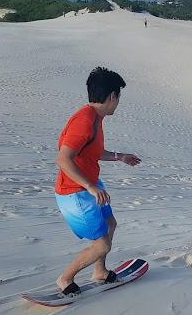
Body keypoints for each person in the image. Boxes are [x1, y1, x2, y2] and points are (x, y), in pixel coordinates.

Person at [54, 67, 142, 297]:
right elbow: (63, 159)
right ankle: (65, 279)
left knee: (110, 224)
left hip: (90, 186)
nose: (118, 103)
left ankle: (100, 271)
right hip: (75, 192)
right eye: (118, 97)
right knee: (102, 245)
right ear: (112, 96)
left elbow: (92, 151)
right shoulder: (83, 121)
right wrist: (90, 187)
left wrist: (119, 157)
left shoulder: (95, 118)